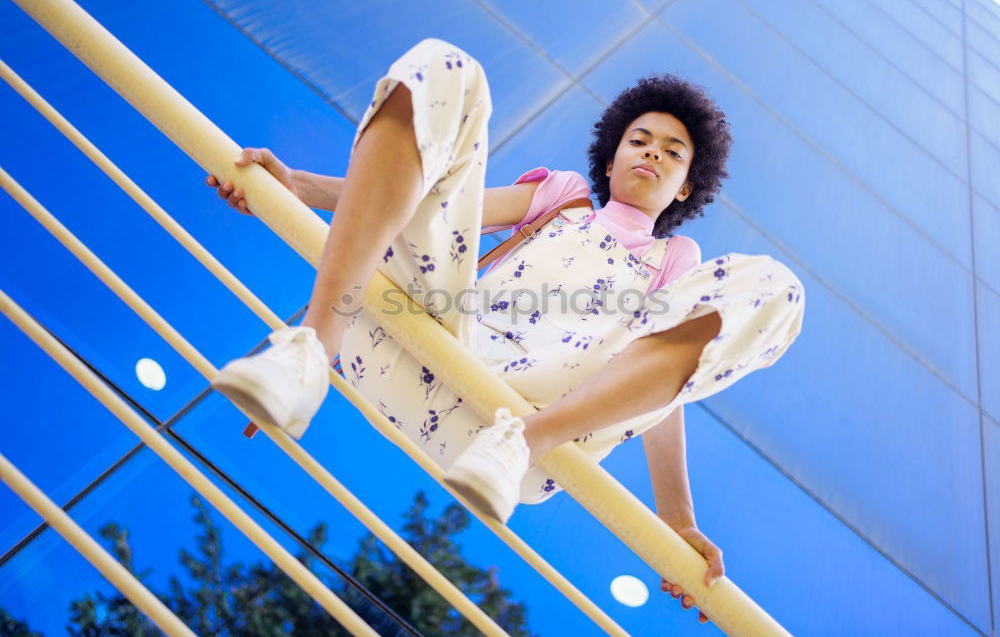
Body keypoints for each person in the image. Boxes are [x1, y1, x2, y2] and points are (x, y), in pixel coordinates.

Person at [207, 38, 805, 624]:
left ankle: (525, 438)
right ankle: (313, 348)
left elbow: (661, 391)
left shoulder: (675, 262)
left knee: (777, 288)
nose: (652, 154)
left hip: (525, 424)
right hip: (426, 343)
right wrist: (299, 188)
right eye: (639, 140)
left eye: (674, 153)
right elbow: (427, 199)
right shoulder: (564, 197)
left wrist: (676, 523)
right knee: (445, 68)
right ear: (609, 158)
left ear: (686, 187)